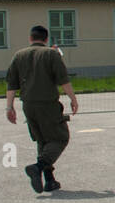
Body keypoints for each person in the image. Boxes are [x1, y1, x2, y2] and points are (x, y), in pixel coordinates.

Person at [5, 25, 79, 193]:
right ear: (46, 39)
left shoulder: (19, 55)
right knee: (60, 138)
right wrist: (73, 99)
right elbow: (63, 80)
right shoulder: (51, 54)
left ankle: (50, 180)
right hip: (47, 104)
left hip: (28, 105)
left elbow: (11, 84)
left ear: (30, 38)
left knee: (43, 140)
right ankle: (37, 168)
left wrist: (9, 107)